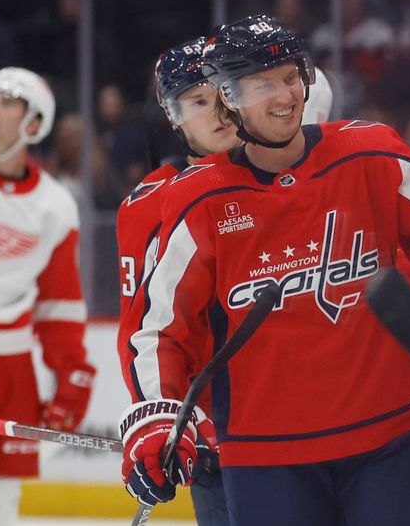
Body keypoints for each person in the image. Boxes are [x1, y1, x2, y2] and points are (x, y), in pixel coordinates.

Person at [117, 14, 410, 526]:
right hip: (264, 458)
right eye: (261, 84)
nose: (284, 95)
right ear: (229, 99)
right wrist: (157, 420)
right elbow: (158, 329)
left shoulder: (371, 152)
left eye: (291, 77)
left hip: (387, 439)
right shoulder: (198, 198)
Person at [116, 36, 339, 525]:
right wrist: (164, 417)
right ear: (172, 115)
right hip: (226, 440)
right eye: (198, 101)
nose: (217, 114)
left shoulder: (281, 177)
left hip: (323, 422)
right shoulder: (151, 202)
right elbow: (145, 330)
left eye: (222, 96)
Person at [0, 67, 94, 526]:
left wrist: (71, 375)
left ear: (34, 124)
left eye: (8, 102)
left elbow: (58, 302)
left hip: (11, 363)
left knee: (0, 502)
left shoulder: (55, 206)